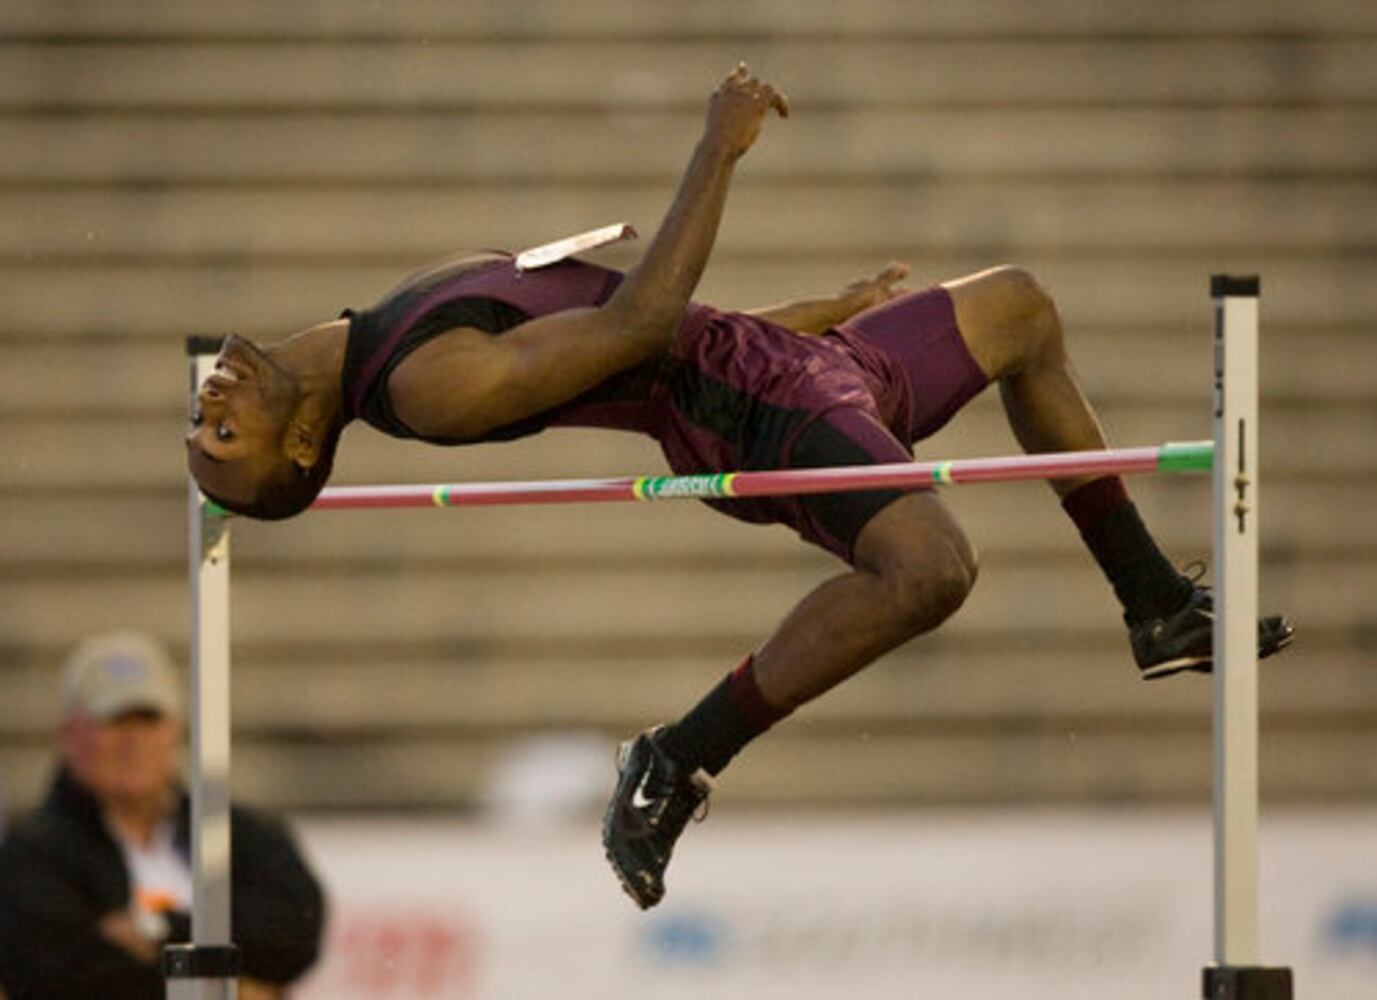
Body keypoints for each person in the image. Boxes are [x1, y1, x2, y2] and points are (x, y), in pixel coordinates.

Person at [183, 64, 1293, 910]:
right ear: (297, 453)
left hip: (798, 368)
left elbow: (635, 337)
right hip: (753, 411)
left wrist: (811, 316)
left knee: (1021, 309)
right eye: (219, 438)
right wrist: (717, 149)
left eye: (199, 423)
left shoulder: (374, 324)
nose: (209, 409)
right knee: (931, 566)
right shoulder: (423, 382)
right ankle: (679, 754)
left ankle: (1153, 601)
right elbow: (641, 328)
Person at [0, 631, 325, 998]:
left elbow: (294, 933)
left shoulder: (237, 833)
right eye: (116, 721)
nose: (134, 739)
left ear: (174, 729)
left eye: (148, 719)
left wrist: (158, 928)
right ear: (68, 735)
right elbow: (56, 973)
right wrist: (227, 989)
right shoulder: (32, 852)